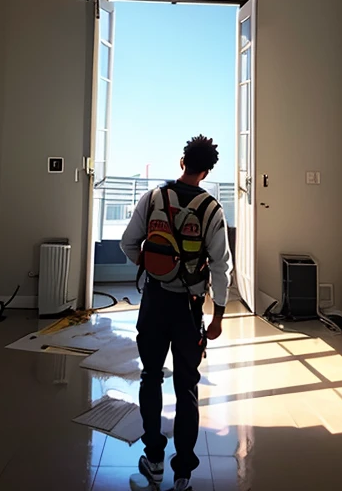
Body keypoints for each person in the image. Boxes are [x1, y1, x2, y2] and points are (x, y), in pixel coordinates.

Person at [121, 135, 232, 491]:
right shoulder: (212, 209)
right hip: (189, 308)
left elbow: (127, 243)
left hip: (154, 302)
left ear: (182, 162)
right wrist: (218, 316)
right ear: (207, 170)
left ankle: (153, 459)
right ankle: (183, 471)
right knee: (187, 387)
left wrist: (155, 266)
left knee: (151, 376)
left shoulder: (153, 198)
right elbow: (221, 267)